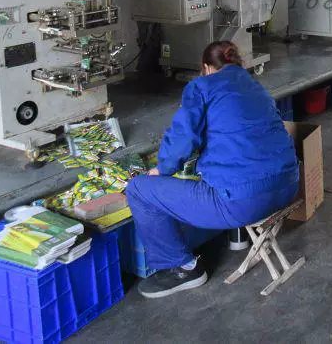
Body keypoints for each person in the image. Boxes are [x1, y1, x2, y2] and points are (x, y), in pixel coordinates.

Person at [126, 40, 299, 299]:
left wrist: (162, 170)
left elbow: (182, 140)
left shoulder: (201, 87)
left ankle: (182, 269)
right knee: (233, 171)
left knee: (139, 189)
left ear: (206, 68)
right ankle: (238, 239)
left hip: (242, 204)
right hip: (288, 186)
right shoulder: (256, 87)